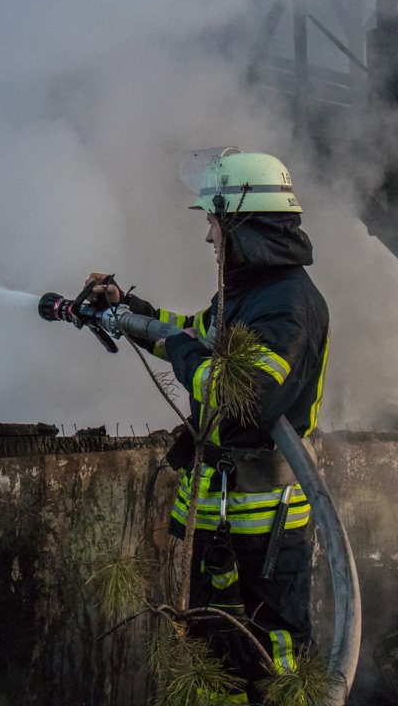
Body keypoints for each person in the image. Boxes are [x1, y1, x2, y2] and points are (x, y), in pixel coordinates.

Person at [86, 148, 329, 703]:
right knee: (212, 644)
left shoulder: (287, 304)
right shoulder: (247, 293)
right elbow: (196, 332)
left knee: (277, 654)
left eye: (213, 223)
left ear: (242, 223)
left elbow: (244, 394)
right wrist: (130, 310)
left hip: (264, 519)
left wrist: (175, 346)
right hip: (219, 509)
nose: (208, 237)